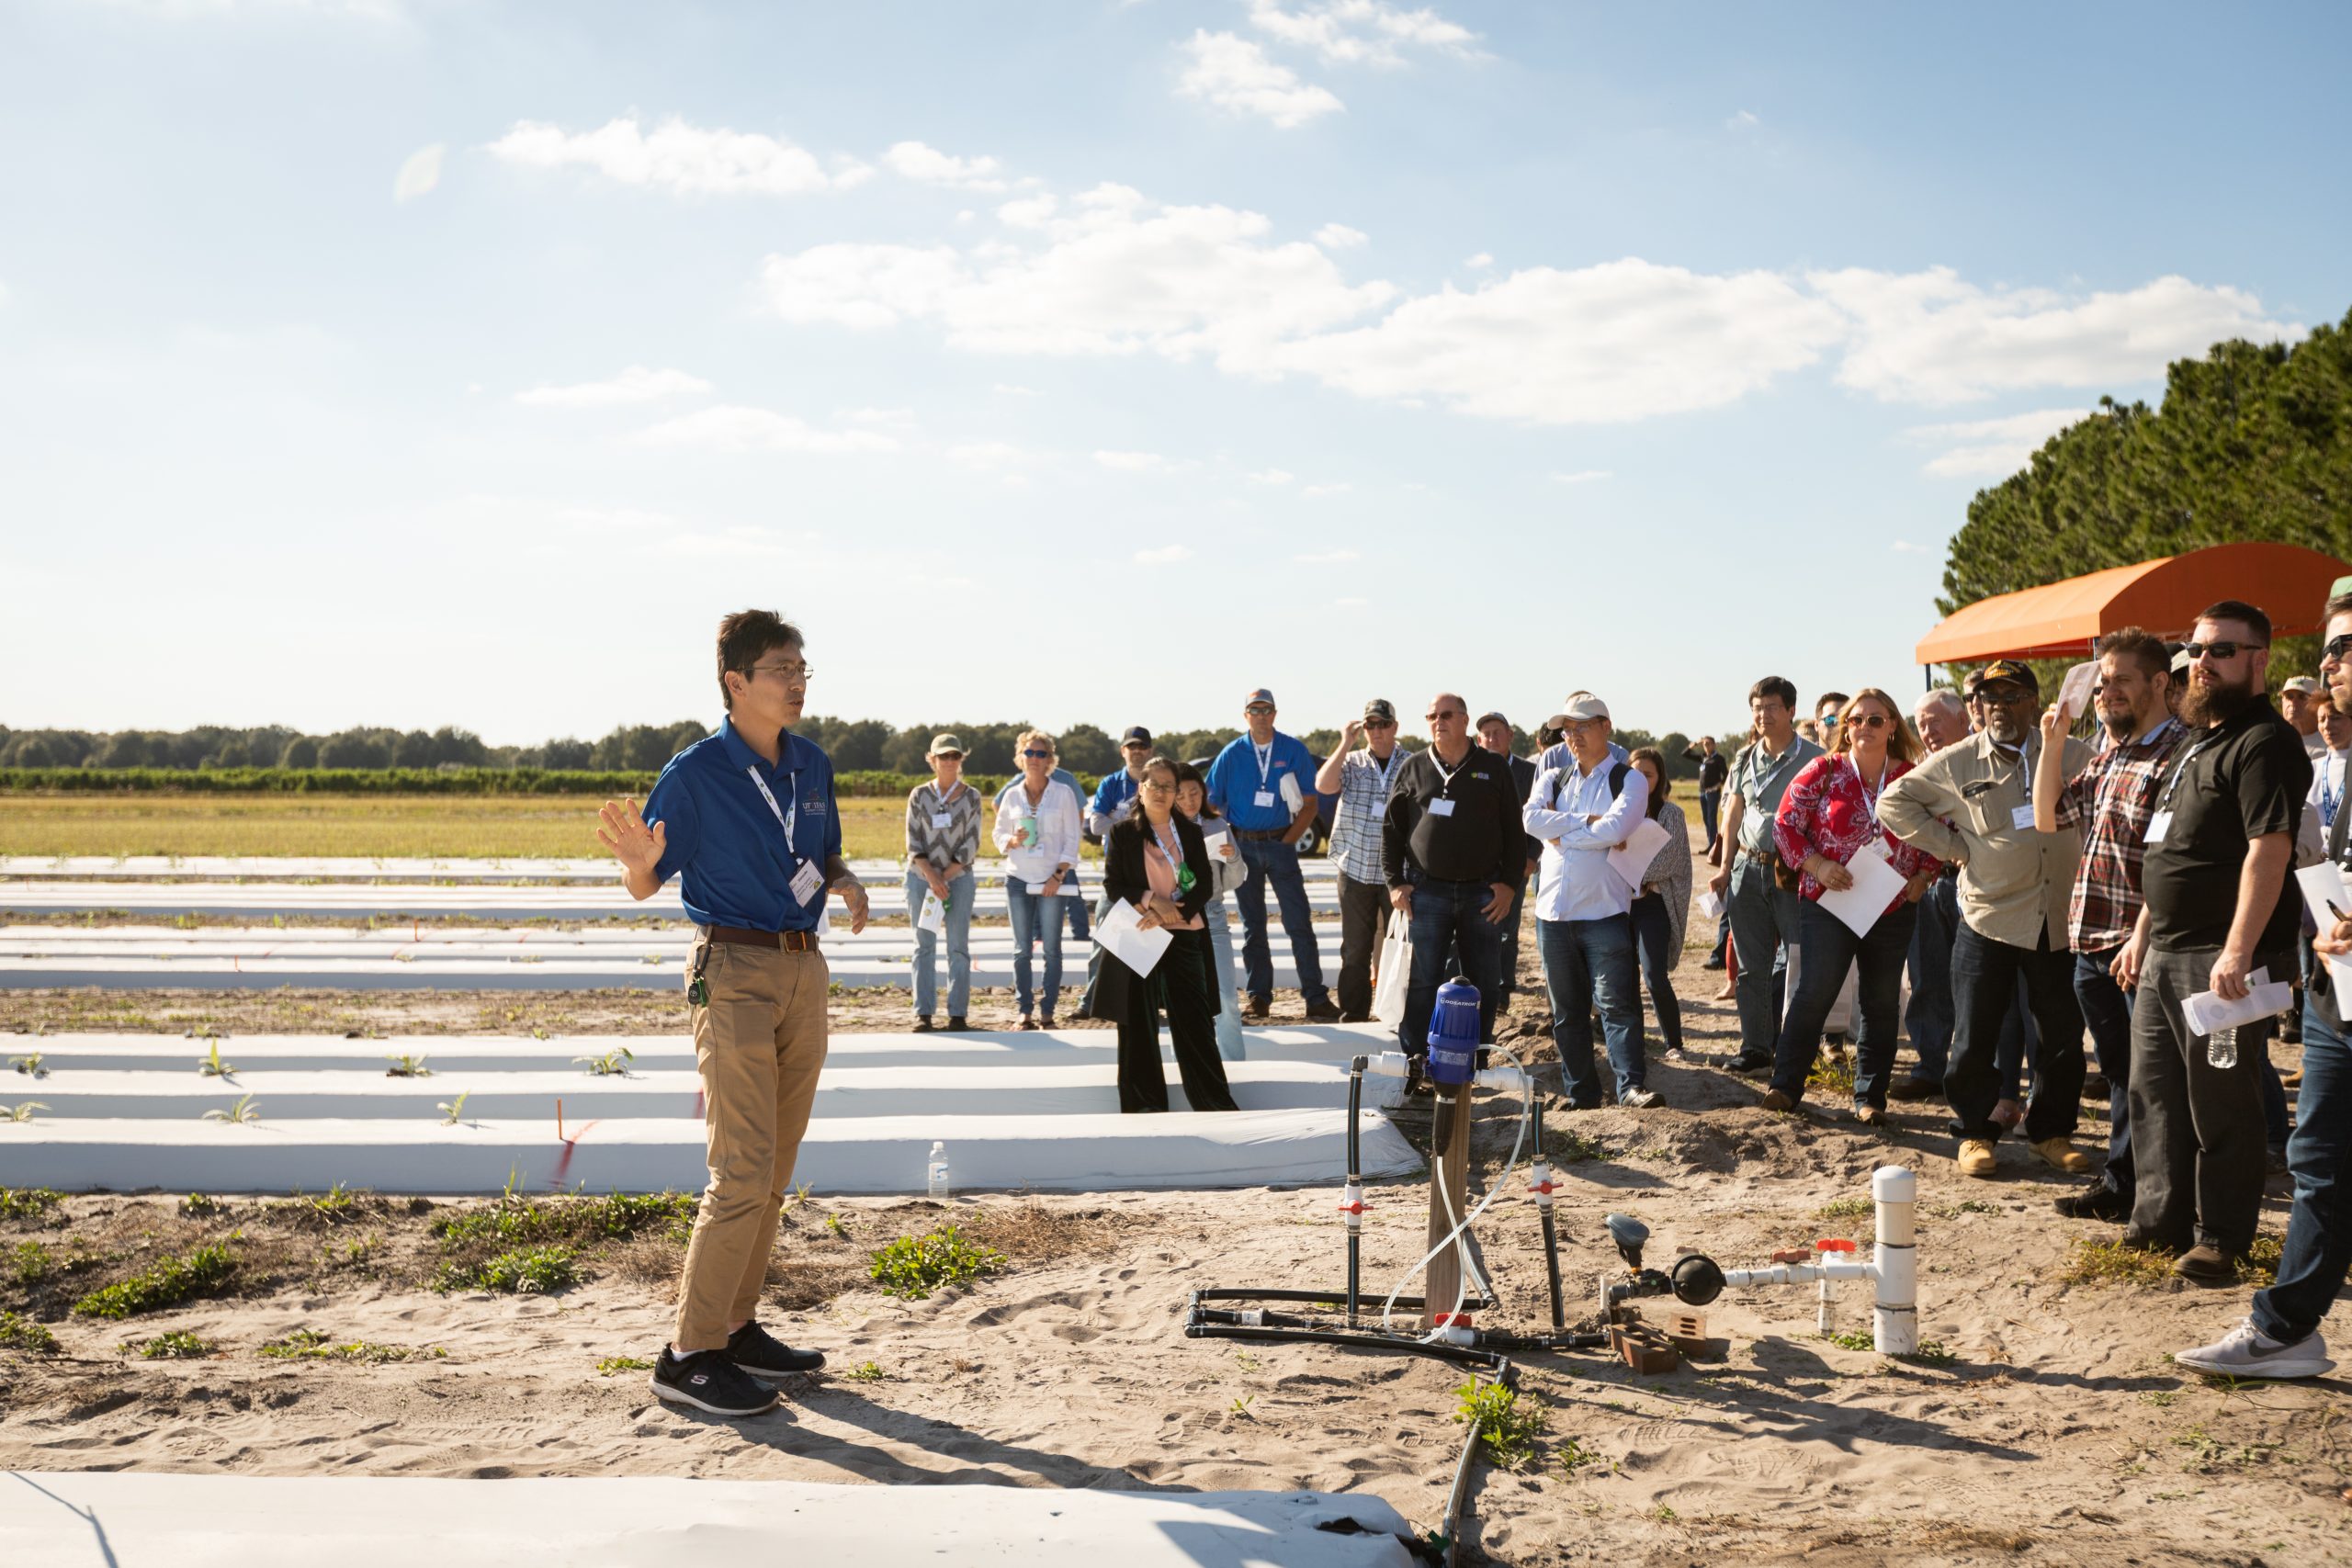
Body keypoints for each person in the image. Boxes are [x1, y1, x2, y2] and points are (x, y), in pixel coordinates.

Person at [596, 609, 869, 1418]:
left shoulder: (812, 763)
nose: (797, 680)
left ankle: (737, 1325)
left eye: (802, 666)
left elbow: (819, 852)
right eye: (781, 668)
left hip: (801, 968)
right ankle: (688, 1353)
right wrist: (643, 868)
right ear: (736, 682)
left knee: (776, 1171)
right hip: (735, 969)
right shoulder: (696, 772)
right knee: (741, 1170)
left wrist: (844, 878)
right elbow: (647, 878)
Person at [2177, 593, 2352, 1377]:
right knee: (2318, 1157)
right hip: (2334, 989)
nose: (2329, 662)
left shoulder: (2272, 744)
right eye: (2329, 646)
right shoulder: (2331, 759)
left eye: (2346, 647)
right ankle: (2286, 1328)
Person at [2111, 601, 2312, 1281]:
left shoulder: (2266, 742)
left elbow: (2269, 851)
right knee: (2154, 1093)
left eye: (2221, 649)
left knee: (2221, 1098)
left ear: (2259, 657)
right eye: (2196, 649)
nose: (2203, 661)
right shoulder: (2198, 739)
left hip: (2221, 961)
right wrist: (2141, 933)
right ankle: (2158, 1221)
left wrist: (2236, 950)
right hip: (2164, 951)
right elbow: (2167, 848)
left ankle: (2221, 1236)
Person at [1881, 660, 2098, 1180]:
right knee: (1975, 1032)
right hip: (1989, 916)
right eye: (1987, 697)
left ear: (2032, 702)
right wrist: (1954, 846)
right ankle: (1975, 1131)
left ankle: (2050, 1133)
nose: (1997, 706)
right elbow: (1895, 803)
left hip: (2058, 918)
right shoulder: (1957, 762)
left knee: (2060, 1034)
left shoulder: (2071, 752)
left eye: (2009, 696)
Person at [2030, 628, 2184, 1224]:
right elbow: (2047, 816)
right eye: (2103, 681)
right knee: (2122, 1074)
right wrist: (2053, 741)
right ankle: (2124, 1184)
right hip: (2091, 941)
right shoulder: (2111, 753)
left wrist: (2142, 934)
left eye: (2121, 679)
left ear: (2159, 682)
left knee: (2154, 1078)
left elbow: (2172, 861)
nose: (2107, 690)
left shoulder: (2177, 754)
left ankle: (2159, 1198)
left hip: (2137, 943)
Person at [1758, 689, 1940, 1122]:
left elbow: (1942, 828)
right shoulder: (1824, 770)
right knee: (1815, 991)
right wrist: (1817, 865)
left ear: (1893, 725)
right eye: (1855, 720)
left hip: (1893, 906)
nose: (1864, 727)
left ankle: (1870, 1099)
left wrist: (1924, 876)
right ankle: (1785, 1087)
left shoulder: (1913, 779)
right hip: (1830, 902)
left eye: (1875, 720)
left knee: (1880, 1002)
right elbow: (1785, 826)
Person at [1522, 694, 1658, 1108]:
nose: (1573, 735)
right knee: (1567, 1014)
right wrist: (1586, 824)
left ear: (1605, 727)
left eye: (1582, 726)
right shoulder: (1552, 777)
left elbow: (1615, 831)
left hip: (1604, 913)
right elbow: (1530, 819)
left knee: (1617, 1007)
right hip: (1553, 915)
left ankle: (1630, 1088)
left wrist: (1561, 832)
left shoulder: (1629, 779)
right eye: (1567, 729)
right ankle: (1581, 1092)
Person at [1383, 693, 1524, 1058]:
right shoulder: (1413, 767)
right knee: (1423, 979)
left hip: (1483, 892)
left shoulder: (1493, 767)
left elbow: (1514, 829)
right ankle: (1418, 1059)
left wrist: (1509, 884)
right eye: (1431, 715)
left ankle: (1475, 1057)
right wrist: (1395, 883)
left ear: (1464, 720)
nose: (1437, 721)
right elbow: (1391, 831)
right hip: (1426, 892)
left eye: (1446, 714)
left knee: (1484, 982)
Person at [1098, 756, 1240, 1114]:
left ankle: (1213, 1104)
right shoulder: (1121, 833)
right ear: (1141, 789)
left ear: (1177, 793)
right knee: (1138, 1025)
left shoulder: (1190, 832)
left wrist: (1171, 913)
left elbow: (1205, 885)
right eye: (1154, 785)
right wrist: (1152, 901)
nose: (1161, 792)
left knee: (1194, 1025)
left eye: (1168, 786)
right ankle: (1144, 1106)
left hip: (1185, 934)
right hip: (1139, 935)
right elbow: (1114, 885)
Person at [1708, 678, 1824, 1073]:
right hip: (1746, 867)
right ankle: (1756, 1047)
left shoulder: (1815, 757)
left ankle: (1796, 1050)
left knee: (1797, 960)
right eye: (1757, 707)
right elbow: (1733, 811)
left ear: (1791, 710)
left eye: (1772, 707)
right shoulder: (1743, 758)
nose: (1763, 715)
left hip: (1792, 871)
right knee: (1750, 965)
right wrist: (1725, 867)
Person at [1207, 689, 1341, 1022]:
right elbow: (1209, 803)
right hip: (1244, 847)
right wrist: (1226, 839)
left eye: (1267, 709)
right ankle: (1259, 997)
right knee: (1253, 926)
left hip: (1280, 845)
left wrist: (1288, 842)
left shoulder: (1293, 750)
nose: (1261, 715)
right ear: (1246, 715)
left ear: (1275, 714)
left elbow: (1310, 804)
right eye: (1255, 710)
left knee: (1298, 922)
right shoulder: (1231, 754)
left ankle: (1315, 996)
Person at [1315, 700, 1408, 1022]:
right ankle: (1354, 1012)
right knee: (1355, 949)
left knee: (1398, 948)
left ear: (1395, 727)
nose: (1377, 731)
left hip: (1396, 873)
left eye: (1383, 724)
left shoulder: (1411, 764)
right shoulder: (1352, 761)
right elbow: (1323, 785)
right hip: (1354, 869)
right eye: (1370, 725)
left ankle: (1394, 1013)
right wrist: (1345, 742)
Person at [1899, 689, 1970, 1099]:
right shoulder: (1917, 771)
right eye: (1921, 724)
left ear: (1962, 719)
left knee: (1974, 983)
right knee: (1926, 977)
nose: (1928, 730)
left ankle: (1979, 1070)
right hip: (1926, 886)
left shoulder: (1985, 761)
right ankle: (1930, 1067)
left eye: (1935, 720)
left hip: (1971, 886)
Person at [993, 729, 1084, 1030]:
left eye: (1040, 753)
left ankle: (1047, 1010)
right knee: (1021, 949)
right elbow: (997, 834)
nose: (1034, 758)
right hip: (1018, 879)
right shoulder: (1012, 795)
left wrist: (1058, 875)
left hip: (1051, 880)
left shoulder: (1063, 793)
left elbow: (1073, 839)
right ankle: (1025, 1010)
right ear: (1020, 758)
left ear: (1050, 760)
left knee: (1052, 950)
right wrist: (1011, 841)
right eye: (1029, 753)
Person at [903, 732, 982, 1032]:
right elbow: (913, 842)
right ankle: (923, 1012)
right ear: (932, 760)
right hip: (922, 880)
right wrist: (932, 877)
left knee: (958, 947)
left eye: (955, 756)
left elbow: (971, 843)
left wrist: (944, 877)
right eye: (943, 756)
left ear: (961, 759)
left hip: (958, 880)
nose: (949, 761)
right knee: (924, 945)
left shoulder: (972, 796)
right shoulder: (919, 795)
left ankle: (958, 1013)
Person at [1077, 727, 1157, 1019]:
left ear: (1150, 750)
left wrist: (1116, 816)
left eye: (1142, 747)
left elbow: (1161, 822)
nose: (1137, 752)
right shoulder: (1111, 783)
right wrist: (1135, 819)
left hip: (1151, 872)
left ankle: (1145, 1003)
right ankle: (1090, 1001)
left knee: (1148, 938)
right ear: (1123, 751)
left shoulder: (1157, 781)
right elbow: (1095, 825)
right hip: (1118, 872)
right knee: (1104, 936)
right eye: (1131, 747)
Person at [1175, 761, 1250, 1062]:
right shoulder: (1165, 829)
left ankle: (1234, 1064)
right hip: (1176, 917)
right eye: (1181, 795)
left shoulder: (1217, 826)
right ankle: (1187, 1063)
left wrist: (1232, 859)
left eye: (1195, 793)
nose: (1189, 800)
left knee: (1227, 998)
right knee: (1183, 1001)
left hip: (1213, 914)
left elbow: (1234, 881)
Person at [1625, 747, 1691, 1062]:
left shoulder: (1672, 814)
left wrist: (1627, 870)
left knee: (1654, 975)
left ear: (1659, 778)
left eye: (1648, 775)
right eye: (1634, 773)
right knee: (1622, 976)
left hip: (1653, 906)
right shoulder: (1618, 812)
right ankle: (1633, 1040)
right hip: (1619, 905)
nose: (1641, 780)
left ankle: (1674, 1042)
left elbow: (1670, 861)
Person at [1477, 711, 1543, 1024]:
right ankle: (1477, 986)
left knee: (1507, 931)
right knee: (1475, 928)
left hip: (1514, 866)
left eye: (1497, 732)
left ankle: (1503, 991)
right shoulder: (1472, 768)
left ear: (1510, 735)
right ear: (1479, 739)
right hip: (1476, 867)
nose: (1492, 738)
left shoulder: (1530, 772)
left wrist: (1532, 857)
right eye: (1486, 734)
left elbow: (1543, 816)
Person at [1689, 736, 1728, 855]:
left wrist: (1718, 786)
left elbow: (1726, 775)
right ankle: (1711, 843)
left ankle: (1713, 846)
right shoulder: (1703, 758)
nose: (1706, 746)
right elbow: (1685, 754)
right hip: (1702, 793)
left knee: (1711, 819)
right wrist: (1696, 743)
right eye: (1704, 744)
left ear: (1714, 745)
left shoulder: (1719, 759)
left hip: (1712, 793)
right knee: (1706, 818)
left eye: (1709, 743)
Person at [2282, 675, 2326, 761]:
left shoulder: (2332, 742)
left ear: (2318, 704)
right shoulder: (2273, 741)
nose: (2293, 702)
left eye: (2302, 697)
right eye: (2289, 697)